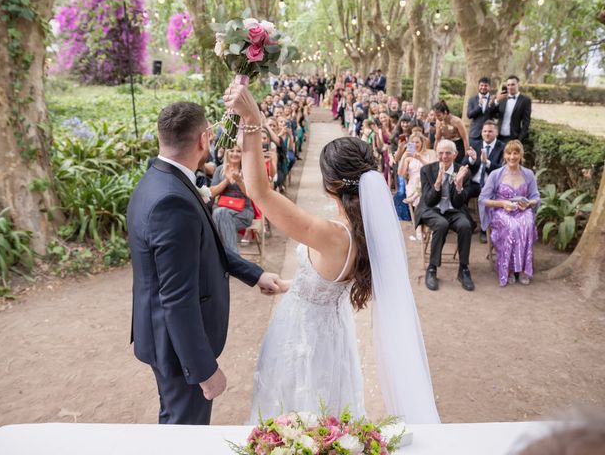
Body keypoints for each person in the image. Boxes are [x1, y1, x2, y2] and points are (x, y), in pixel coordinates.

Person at [223, 82, 440, 425]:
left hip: (302, 336)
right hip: (333, 336)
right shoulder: (364, 233)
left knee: (292, 414)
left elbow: (259, 193)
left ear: (332, 184)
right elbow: (327, 281)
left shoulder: (328, 234)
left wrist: (252, 118)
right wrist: (290, 284)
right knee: (324, 416)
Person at [127, 101, 283, 425]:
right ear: (205, 139)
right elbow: (177, 297)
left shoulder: (156, 180)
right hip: (177, 347)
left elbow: (206, 246)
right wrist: (203, 369)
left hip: (163, 335)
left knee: (174, 422)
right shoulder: (172, 200)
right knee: (185, 430)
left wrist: (255, 275)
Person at [415, 139, 475, 292]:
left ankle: (464, 269)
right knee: (441, 224)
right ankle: (432, 268)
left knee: (465, 225)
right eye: (441, 153)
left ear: (455, 155)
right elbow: (428, 201)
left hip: (453, 209)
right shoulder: (427, 170)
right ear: (437, 154)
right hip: (431, 209)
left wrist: (459, 185)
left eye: (448, 153)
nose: (444, 156)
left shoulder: (462, 171)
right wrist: (438, 183)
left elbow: (458, 203)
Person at [478, 140, 540, 287]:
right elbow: (483, 199)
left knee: (527, 224)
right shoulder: (496, 174)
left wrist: (528, 203)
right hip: (501, 212)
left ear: (521, 155)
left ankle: (524, 269)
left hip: (522, 210)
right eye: (509, 153)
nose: (512, 157)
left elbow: (536, 197)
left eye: (515, 153)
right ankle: (510, 269)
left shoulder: (528, 174)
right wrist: (502, 203)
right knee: (512, 227)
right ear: (504, 155)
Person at [462, 120, 505, 243]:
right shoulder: (475, 144)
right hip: (474, 183)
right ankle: (471, 223)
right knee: (459, 195)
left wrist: (487, 162)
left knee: (487, 200)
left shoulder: (502, 147)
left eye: (490, 131)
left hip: (490, 185)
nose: (487, 134)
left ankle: (484, 230)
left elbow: (502, 170)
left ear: (496, 132)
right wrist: (472, 159)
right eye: (485, 131)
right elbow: (463, 164)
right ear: (481, 133)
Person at [210, 145, 255, 253]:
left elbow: (251, 195)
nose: (235, 154)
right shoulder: (220, 169)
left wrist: (239, 181)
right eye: (232, 151)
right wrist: (226, 180)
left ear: (242, 154)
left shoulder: (248, 170)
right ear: (227, 152)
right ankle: (234, 258)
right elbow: (212, 193)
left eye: (238, 151)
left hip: (243, 212)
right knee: (222, 215)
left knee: (218, 215)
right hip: (223, 212)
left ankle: (229, 259)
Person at [491, 75, 532, 143]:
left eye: (513, 84)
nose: (510, 87)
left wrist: (519, 139)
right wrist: (496, 101)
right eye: (508, 85)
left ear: (518, 85)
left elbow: (526, 122)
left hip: (512, 138)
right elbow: (492, 114)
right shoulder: (502, 97)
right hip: (498, 137)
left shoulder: (525, 100)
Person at [433, 100, 469, 165]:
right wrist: (435, 153)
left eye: (438, 115)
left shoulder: (457, 121)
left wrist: (467, 156)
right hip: (446, 145)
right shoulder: (439, 122)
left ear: (445, 112)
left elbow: (465, 138)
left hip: (458, 146)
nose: (437, 118)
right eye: (435, 116)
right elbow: (437, 139)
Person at [467, 76, 496, 142]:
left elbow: (496, 115)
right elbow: (469, 115)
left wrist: (492, 105)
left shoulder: (493, 99)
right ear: (478, 86)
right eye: (481, 85)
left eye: (485, 85)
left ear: (489, 87)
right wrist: (479, 106)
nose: (483, 87)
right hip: (475, 134)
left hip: (489, 135)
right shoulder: (472, 99)